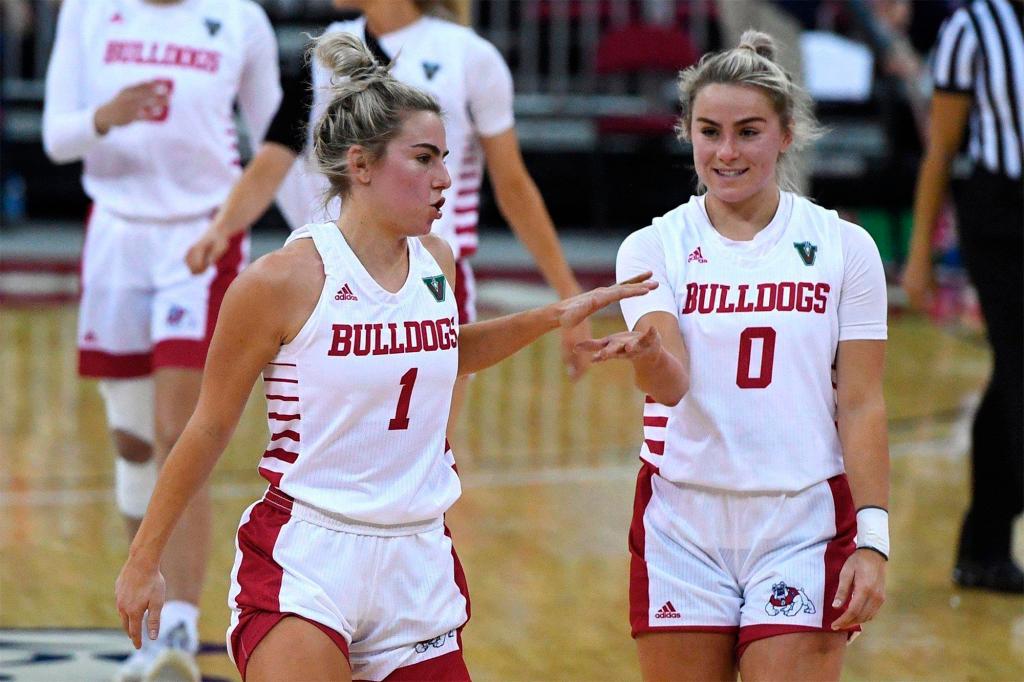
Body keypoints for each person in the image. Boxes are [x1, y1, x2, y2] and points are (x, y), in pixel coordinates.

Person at [114, 33, 656, 681]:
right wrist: (145, 560)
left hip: (417, 558)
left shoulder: (438, 263)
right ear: (361, 164)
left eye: (446, 160)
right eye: (424, 159)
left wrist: (548, 317)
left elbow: (447, 351)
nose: (445, 179)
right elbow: (205, 428)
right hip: (308, 556)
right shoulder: (280, 282)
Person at [578, 30, 891, 681]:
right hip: (681, 524)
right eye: (708, 131)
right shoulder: (652, 247)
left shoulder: (844, 247)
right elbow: (671, 383)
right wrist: (646, 354)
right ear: (686, 132)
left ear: (786, 133)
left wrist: (874, 541)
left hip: (802, 520)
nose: (725, 152)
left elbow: (862, 403)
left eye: (748, 132)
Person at [184, 0, 592, 434]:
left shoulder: (470, 56)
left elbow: (513, 186)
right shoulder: (327, 51)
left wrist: (568, 292)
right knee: (327, 446)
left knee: (426, 454)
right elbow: (273, 157)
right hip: (332, 279)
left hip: (431, 278)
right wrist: (222, 227)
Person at [41, 0, 281, 678]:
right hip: (116, 235)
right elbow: (58, 139)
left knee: (182, 429)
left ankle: (177, 628)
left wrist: (324, 236)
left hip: (200, 237)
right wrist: (104, 116)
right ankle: (147, 613)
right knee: (133, 440)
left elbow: (279, 148)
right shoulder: (88, 11)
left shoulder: (239, 19)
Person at [903, 0, 1023, 594]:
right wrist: (921, 255)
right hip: (1001, 219)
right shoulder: (970, 27)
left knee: (1012, 377)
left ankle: (984, 549)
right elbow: (941, 150)